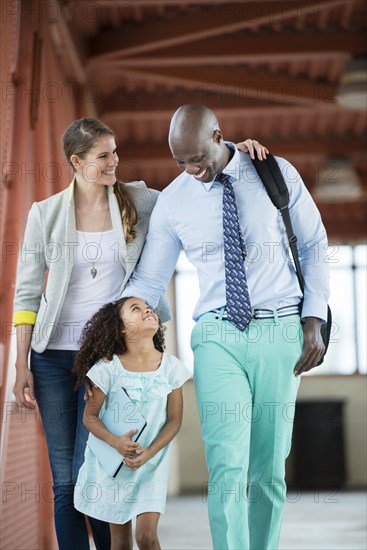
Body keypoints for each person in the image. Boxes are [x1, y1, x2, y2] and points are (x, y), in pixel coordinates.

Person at [12, 116, 265, 549]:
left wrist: (229, 152)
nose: (115, 162)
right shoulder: (46, 214)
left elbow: (195, 183)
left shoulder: (140, 200)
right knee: (67, 478)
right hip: (52, 358)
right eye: (103, 155)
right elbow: (27, 292)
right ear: (77, 162)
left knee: (105, 468)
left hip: (108, 359)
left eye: (115, 152)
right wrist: (21, 365)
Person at [120, 105, 330, 549]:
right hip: (218, 335)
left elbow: (312, 243)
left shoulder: (273, 171)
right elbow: (150, 279)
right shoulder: (175, 199)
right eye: (181, 162)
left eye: (198, 159)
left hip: (280, 330)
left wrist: (314, 318)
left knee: (269, 465)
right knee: (226, 463)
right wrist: (105, 323)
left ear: (219, 136)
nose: (192, 170)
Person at [72, 296, 191, 550]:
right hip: (116, 465)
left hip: (152, 463)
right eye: (135, 309)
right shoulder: (108, 369)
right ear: (122, 328)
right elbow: (89, 417)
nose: (147, 309)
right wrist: (116, 442)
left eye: (147, 307)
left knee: (146, 538)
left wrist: (149, 453)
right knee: (121, 543)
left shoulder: (171, 367)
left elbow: (174, 421)